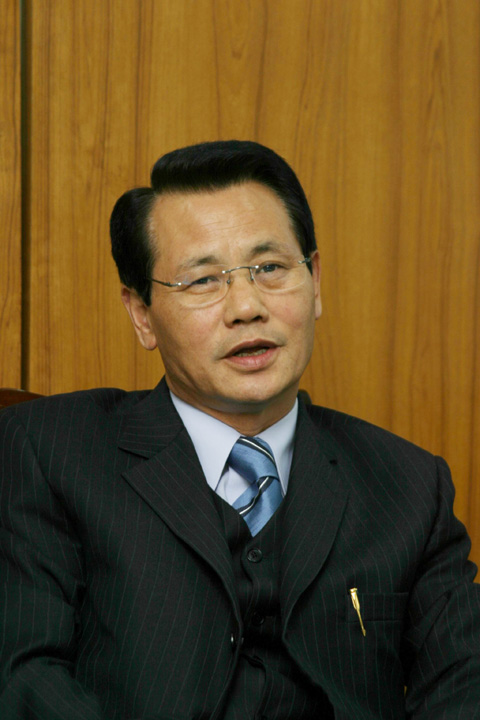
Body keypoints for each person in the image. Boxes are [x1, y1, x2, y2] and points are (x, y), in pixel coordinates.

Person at [0, 140, 479, 720]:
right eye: (203, 280)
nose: (247, 307)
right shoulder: (47, 452)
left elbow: (464, 685)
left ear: (315, 280)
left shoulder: (410, 486)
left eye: (270, 268)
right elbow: (22, 675)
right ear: (141, 314)